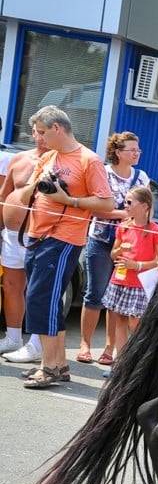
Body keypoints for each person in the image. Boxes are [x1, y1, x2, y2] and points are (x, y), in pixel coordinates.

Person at [14, 106, 114, 388]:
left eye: (44, 132)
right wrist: (36, 185)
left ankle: (47, 368)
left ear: (57, 128)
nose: (40, 138)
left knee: (40, 300)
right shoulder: (47, 157)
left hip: (64, 239)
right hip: (37, 235)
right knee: (47, 301)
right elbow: (22, 198)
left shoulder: (88, 160)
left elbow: (107, 204)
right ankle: (58, 364)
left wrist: (68, 200)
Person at [76, 131, 150, 366]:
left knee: (116, 297)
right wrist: (121, 214)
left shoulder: (141, 177)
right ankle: (85, 344)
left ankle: (109, 348)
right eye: (132, 150)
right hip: (101, 239)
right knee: (95, 293)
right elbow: (94, 208)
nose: (137, 153)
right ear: (118, 153)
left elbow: (146, 209)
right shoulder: (103, 173)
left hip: (129, 244)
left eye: (138, 149)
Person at [0, 116, 47, 363]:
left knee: (37, 291)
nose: (41, 136)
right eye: (37, 131)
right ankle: (13, 336)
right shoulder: (18, 159)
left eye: (45, 131)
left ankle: (36, 343)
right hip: (9, 234)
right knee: (11, 286)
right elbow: (4, 194)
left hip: (39, 237)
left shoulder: (59, 162)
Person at [101, 185, 158, 356]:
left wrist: (137, 265)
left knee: (135, 323)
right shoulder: (123, 227)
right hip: (120, 280)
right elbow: (113, 255)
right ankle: (121, 361)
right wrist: (121, 249)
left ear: (144, 206)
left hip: (139, 284)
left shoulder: (155, 231)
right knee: (120, 320)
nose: (125, 205)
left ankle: (136, 358)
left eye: (129, 202)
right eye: (125, 201)